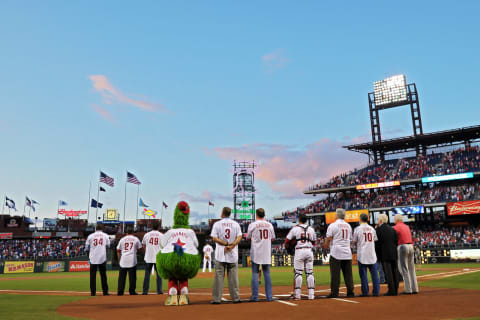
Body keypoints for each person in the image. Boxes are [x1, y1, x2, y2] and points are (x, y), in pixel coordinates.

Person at [210, 207, 242, 304]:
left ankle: (216, 299)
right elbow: (239, 237)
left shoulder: (217, 224)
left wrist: (225, 244)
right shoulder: (235, 224)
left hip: (221, 253)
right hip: (232, 253)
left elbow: (214, 238)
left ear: (222, 213)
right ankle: (236, 298)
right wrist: (232, 245)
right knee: (234, 278)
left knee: (218, 278)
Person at [324, 208, 354, 298]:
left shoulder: (333, 225)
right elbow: (350, 239)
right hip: (347, 252)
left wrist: (325, 249)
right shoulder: (348, 226)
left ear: (337, 215)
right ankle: (350, 292)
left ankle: (334, 292)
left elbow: (328, 239)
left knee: (335, 274)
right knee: (348, 275)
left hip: (336, 252)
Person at [285, 214, 316, 300]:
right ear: (306, 220)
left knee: (298, 273)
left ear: (299, 220)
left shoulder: (295, 228)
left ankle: (297, 295)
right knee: (310, 273)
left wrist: (289, 248)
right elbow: (314, 242)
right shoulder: (311, 229)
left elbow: (287, 241)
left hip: (299, 250)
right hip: (309, 251)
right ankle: (311, 295)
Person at [247, 208, 275, 302]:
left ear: (256, 214)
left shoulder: (253, 224)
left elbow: (248, 237)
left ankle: (255, 297)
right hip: (266, 251)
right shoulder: (270, 225)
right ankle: (269, 297)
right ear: (264, 214)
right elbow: (273, 238)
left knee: (255, 273)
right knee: (267, 273)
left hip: (256, 251)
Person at [353, 213, 380, 297]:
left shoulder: (357, 229)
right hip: (371, 253)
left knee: (363, 274)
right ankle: (376, 292)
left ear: (360, 219)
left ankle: (365, 292)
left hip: (362, 254)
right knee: (374, 274)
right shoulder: (372, 228)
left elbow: (354, 241)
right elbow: (375, 240)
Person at [393, 214, 419, 295]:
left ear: (396, 220)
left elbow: (394, 238)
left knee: (403, 269)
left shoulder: (395, 227)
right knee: (411, 269)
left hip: (402, 246)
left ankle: (408, 290)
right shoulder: (407, 226)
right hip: (411, 246)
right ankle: (415, 288)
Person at [375, 213, 399, 296]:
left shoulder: (378, 230)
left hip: (384, 254)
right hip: (394, 253)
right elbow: (396, 241)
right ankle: (396, 289)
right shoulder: (392, 229)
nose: (377, 220)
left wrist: (378, 255)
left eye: (378, 219)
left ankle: (391, 290)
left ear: (381, 220)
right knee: (395, 271)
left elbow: (377, 244)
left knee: (388, 272)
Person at [85, 224, 110, 296]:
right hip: (102, 257)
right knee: (103, 276)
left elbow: (86, 248)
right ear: (102, 228)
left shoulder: (90, 236)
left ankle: (93, 292)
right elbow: (108, 246)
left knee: (92, 276)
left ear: (95, 229)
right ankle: (105, 292)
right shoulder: (105, 235)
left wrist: (89, 256)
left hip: (93, 258)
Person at [117, 226, 142, 296]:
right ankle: (132, 291)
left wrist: (119, 260)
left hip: (123, 260)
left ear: (126, 232)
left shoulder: (122, 239)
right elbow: (140, 248)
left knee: (121, 278)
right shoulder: (135, 239)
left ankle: (120, 291)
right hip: (132, 260)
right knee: (132, 278)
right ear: (133, 232)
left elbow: (118, 250)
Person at [142, 222, 163, 295]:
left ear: (152, 226)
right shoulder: (161, 235)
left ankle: (145, 291)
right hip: (158, 257)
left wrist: (146, 252)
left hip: (148, 257)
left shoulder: (147, 235)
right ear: (158, 227)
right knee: (159, 275)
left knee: (147, 275)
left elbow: (144, 245)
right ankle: (159, 291)